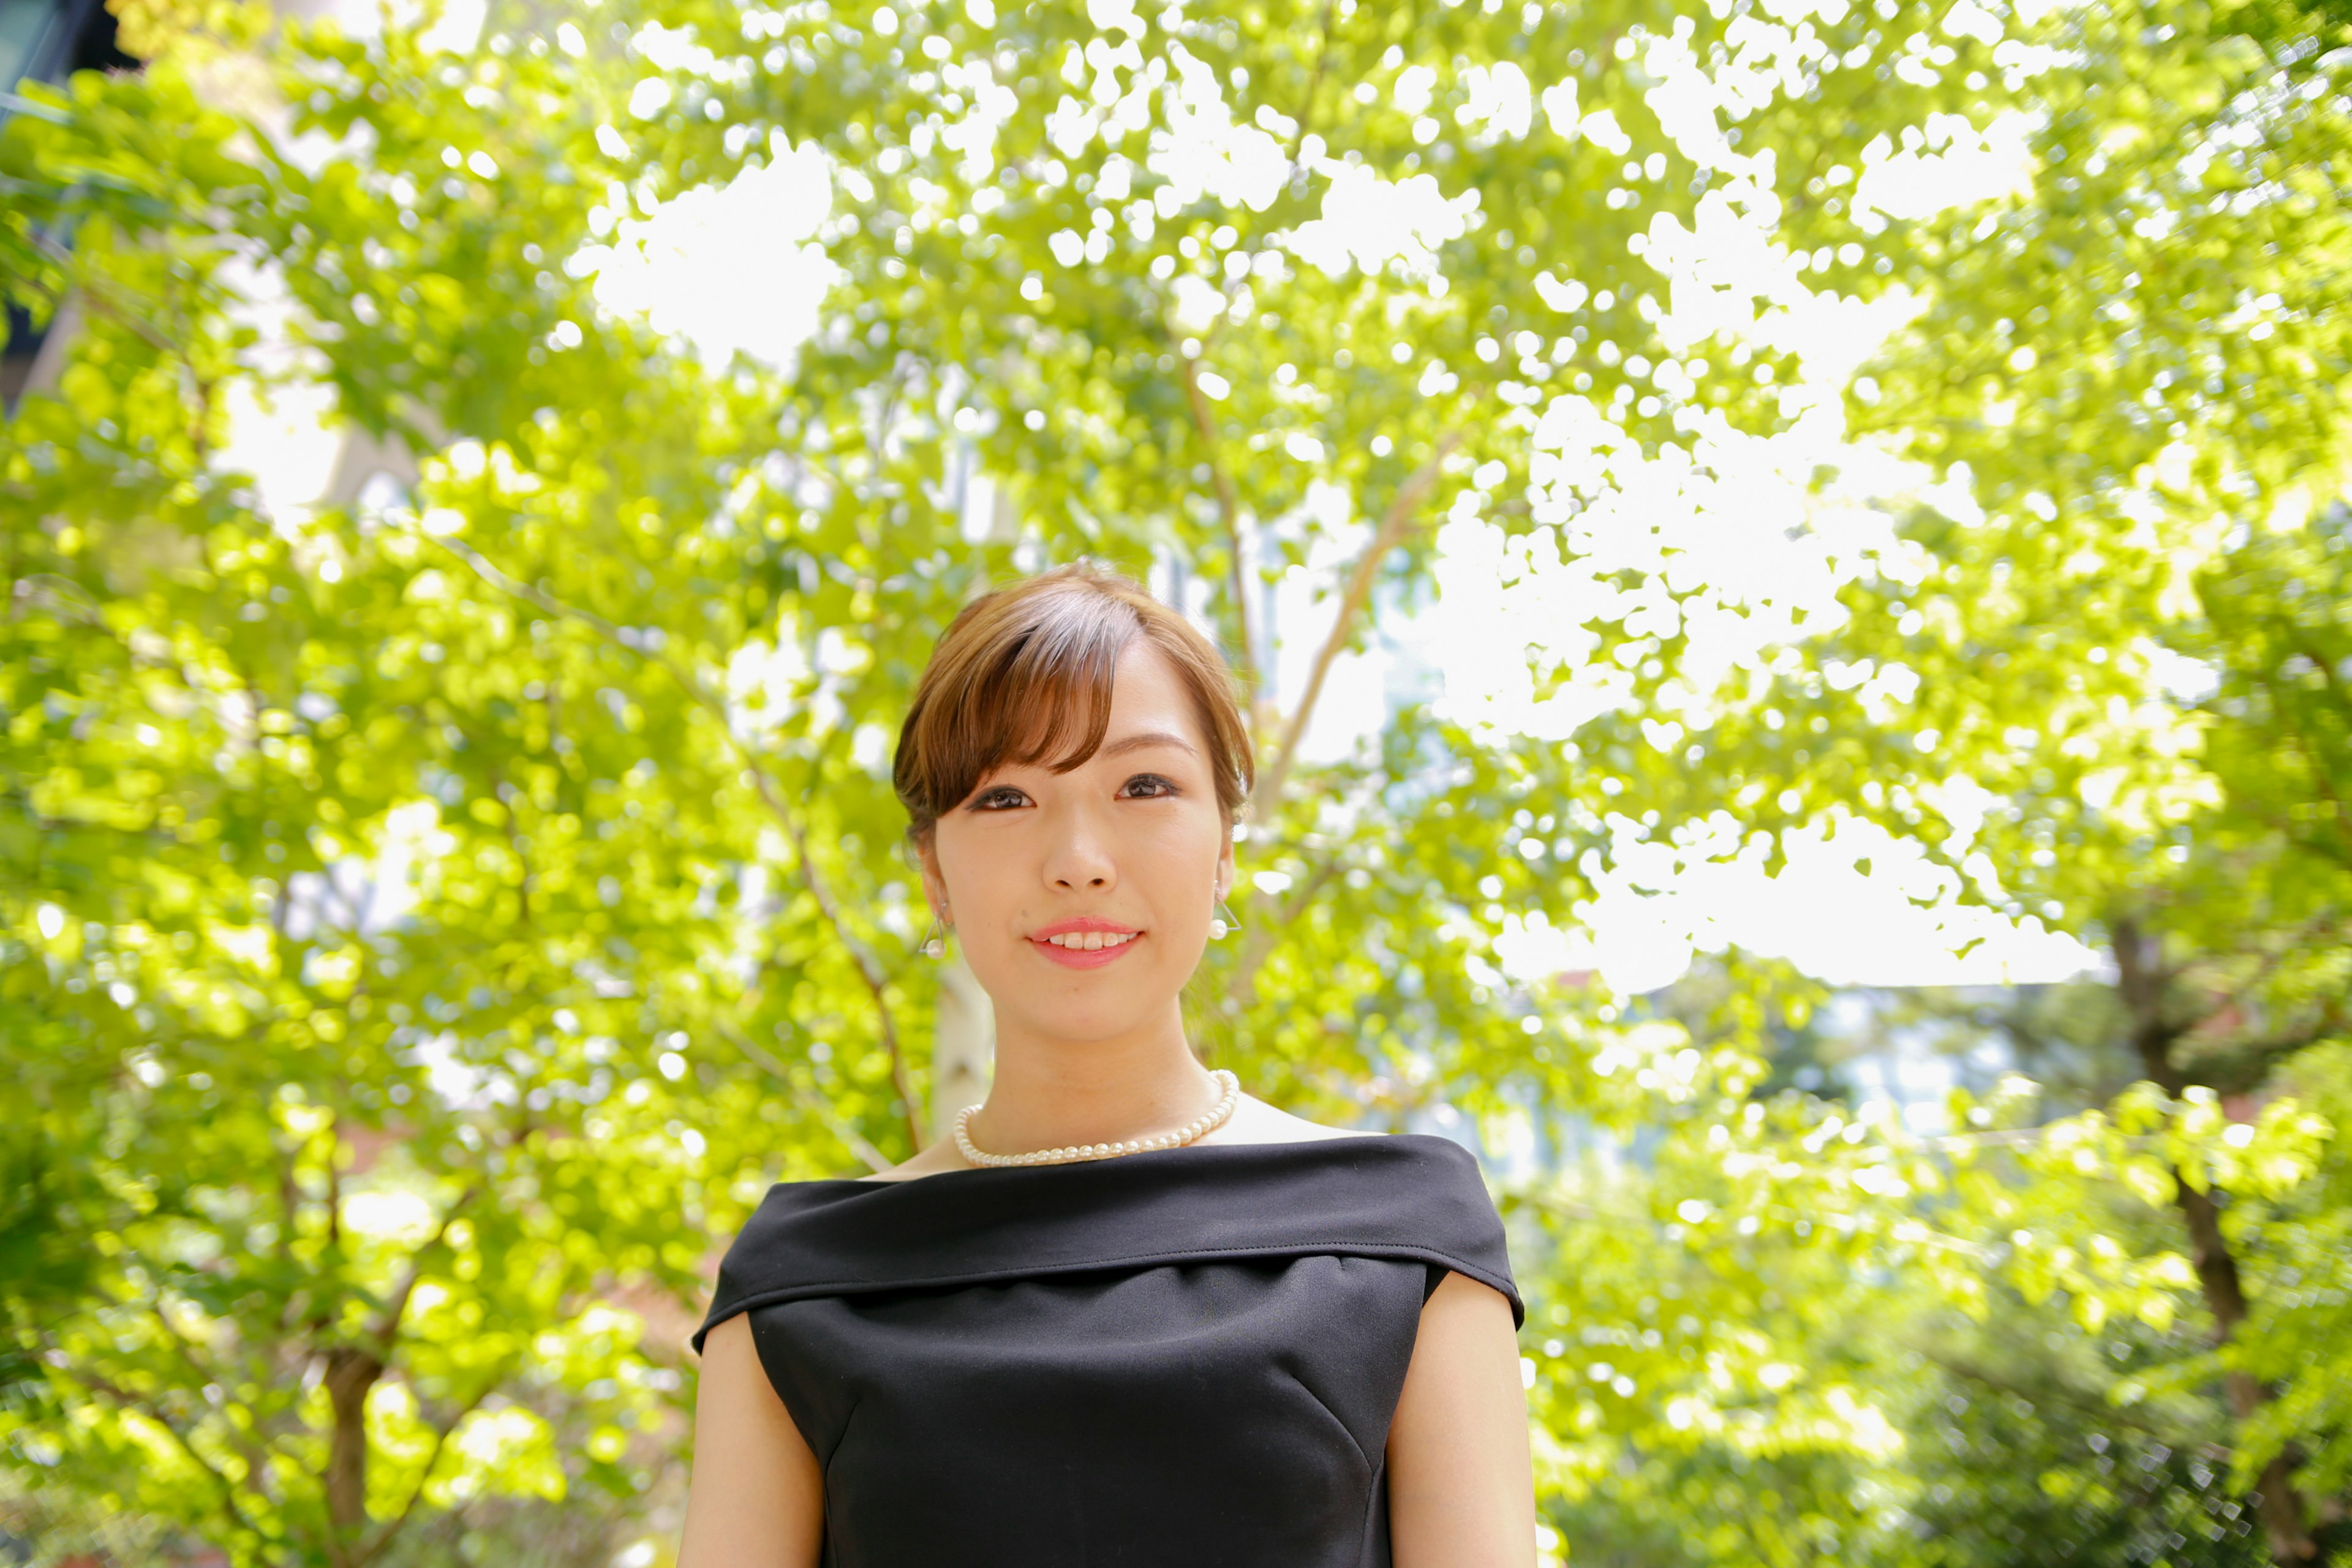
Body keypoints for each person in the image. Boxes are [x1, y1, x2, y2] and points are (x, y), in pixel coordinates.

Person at [679, 565, 1536, 1568]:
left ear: (1225, 848)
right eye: (1005, 796)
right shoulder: (795, 1287)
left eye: (1144, 786)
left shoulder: (1408, 1240)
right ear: (933, 873)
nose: (1079, 857)